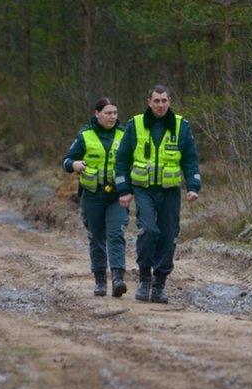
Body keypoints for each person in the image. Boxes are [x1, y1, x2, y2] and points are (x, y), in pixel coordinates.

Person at [114, 84, 201, 303]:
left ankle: (159, 284)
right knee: (148, 231)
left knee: (169, 235)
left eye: (164, 101)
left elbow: (190, 159)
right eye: (156, 101)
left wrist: (193, 186)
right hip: (143, 190)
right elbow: (122, 159)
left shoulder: (181, 126)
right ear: (149, 102)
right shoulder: (136, 125)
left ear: (169, 101)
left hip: (170, 191)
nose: (160, 105)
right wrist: (124, 190)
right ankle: (144, 279)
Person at [62, 97, 129, 297]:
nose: (112, 117)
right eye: (108, 113)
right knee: (97, 237)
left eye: (115, 113)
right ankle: (100, 280)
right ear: (97, 113)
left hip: (117, 195)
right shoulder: (85, 136)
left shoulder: (124, 135)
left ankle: (118, 279)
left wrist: (130, 189)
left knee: (116, 233)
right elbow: (66, 161)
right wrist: (74, 165)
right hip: (92, 195)